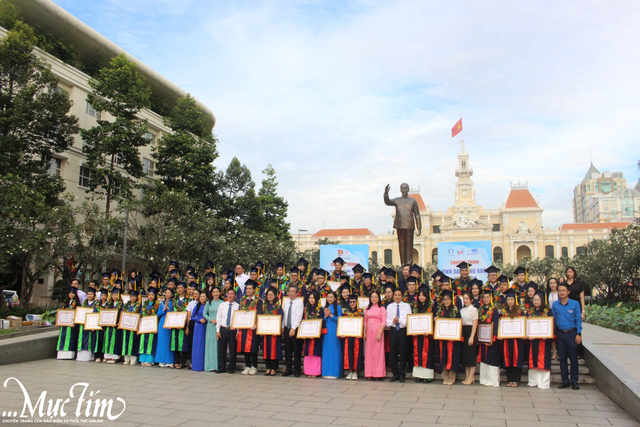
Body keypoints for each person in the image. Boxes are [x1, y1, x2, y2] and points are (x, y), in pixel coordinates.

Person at [552, 282, 582, 390]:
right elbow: (554, 320)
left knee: (573, 359)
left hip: (571, 334)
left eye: (563, 290)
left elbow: (578, 319)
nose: (561, 292)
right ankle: (565, 380)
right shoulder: (555, 305)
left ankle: (574, 381)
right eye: (559, 290)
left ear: (568, 292)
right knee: (562, 359)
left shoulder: (575, 304)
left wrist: (578, 334)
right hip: (560, 334)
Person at [527, 292, 553, 389]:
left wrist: (548, 334)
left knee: (544, 360)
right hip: (533, 341)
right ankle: (533, 381)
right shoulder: (530, 312)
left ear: (542, 301)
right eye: (534, 300)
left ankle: (543, 382)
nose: (536, 302)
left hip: (544, 341)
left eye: (538, 300)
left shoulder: (548, 312)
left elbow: (551, 325)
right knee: (533, 360)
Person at [499, 289, 525, 386]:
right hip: (506, 340)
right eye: (508, 299)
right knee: (508, 359)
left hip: (517, 340)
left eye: (511, 299)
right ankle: (510, 380)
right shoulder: (504, 312)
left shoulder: (519, 312)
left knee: (516, 359)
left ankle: (516, 380)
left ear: (515, 300)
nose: (510, 301)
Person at [237, 280, 263, 375]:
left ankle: (254, 366)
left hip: (253, 328)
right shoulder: (243, 300)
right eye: (247, 288)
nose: (248, 290)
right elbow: (240, 313)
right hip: (244, 327)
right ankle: (247, 365)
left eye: (250, 289)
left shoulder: (258, 301)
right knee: (244, 347)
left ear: (254, 290)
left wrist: (256, 325)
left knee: (253, 348)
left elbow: (259, 313)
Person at [437, 290, 462, 385]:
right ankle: (445, 376)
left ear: (451, 300)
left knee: (452, 357)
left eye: (448, 299)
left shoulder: (455, 311)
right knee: (443, 357)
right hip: (442, 340)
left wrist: (454, 336)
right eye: (444, 299)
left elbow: (459, 325)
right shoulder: (440, 311)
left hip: (452, 340)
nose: (446, 301)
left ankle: (452, 376)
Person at [387, 288, 411, 382]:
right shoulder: (389, 307)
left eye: (399, 295)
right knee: (393, 352)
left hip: (402, 330)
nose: (397, 296)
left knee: (403, 352)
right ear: (393, 296)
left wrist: (399, 321)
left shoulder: (406, 306)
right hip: (393, 330)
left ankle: (402, 373)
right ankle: (395, 373)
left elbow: (408, 320)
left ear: (402, 296)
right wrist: (393, 321)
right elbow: (387, 321)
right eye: (395, 295)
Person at [412, 288, 435, 383]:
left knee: (427, 354)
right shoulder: (416, 306)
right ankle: (418, 375)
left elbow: (433, 322)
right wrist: (412, 330)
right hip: (418, 335)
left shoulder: (431, 307)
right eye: (420, 295)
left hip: (427, 336)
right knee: (418, 353)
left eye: (423, 295)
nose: (421, 297)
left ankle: (427, 376)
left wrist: (429, 331)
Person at [478, 289, 501, 387]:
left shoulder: (495, 310)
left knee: (492, 359)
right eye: (484, 297)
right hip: (483, 340)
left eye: (488, 297)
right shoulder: (482, 310)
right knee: (484, 359)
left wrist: (493, 339)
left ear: (492, 298)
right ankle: (485, 378)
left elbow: (496, 325)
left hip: (492, 341)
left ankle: (493, 380)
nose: (486, 299)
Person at [282, 284, 304, 377]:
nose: (291, 293)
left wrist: (293, 328)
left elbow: (299, 316)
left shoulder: (299, 302)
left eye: (293, 291)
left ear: (297, 293)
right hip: (287, 328)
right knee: (287, 350)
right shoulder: (286, 302)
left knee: (296, 350)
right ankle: (288, 368)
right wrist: (283, 326)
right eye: (290, 291)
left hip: (295, 328)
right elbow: (284, 315)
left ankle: (297, 369)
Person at [340, 295, 364, 380]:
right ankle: (350, 372)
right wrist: (342, 333)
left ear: (357, 302)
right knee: (348, 353)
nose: (352, 303)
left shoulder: (360, 312)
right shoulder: (346, 312)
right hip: (348, 336)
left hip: (357, 336)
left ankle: (356, 372)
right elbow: (342, 324)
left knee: (357, 354)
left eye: (354, 301)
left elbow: (363, 324)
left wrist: (361, 333)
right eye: (350, 302)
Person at [364, 290, 387, 381]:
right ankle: (369, 373)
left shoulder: (382, 308)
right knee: (369, 352)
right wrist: (364, 332)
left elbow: (383, 322)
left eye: (375, 297)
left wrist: (380, 333)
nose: (373, 299)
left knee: (378, 352)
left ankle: (378, 373)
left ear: (379, 298)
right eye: (372, 297)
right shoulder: (367, 308)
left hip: (378, 330)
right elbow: (365, 321)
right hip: (369, 331)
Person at [261, 286, 283, 376]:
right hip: (265, 331)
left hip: (274, 332)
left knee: (274, 349)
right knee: (266, 349)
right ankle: (268, 367)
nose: (269, 296)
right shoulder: (264, 306)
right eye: (268, 295)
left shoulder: (278, 306)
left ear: (275, 296)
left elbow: (280, 318)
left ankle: (273, 368)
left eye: (271, 295)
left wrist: (277, 329)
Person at [216, 288, 239, 374]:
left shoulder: (238, 306)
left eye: (232, 294)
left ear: (235, 296)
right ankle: (221, 367)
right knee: (221, 349)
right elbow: (218, 318)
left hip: (232, 330)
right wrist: (218, 330)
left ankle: (232, 367)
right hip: (223, 328)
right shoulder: (222, 305)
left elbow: (239, 319)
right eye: (228, 294)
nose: (230, 296)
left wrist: (238, 331)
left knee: (233, 349)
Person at [321, 291, 343, 379]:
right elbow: (323, 320)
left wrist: (331, 315)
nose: (329, 299)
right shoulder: (325, 307)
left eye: (331, 297)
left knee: (335, 350)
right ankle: (326, 372)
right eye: (328, 297)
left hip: (334, 330)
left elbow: (339, 319)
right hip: (326, 331)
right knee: (327, 351)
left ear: (335, 298)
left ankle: (335, 372)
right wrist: (325, 316)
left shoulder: (338, 307)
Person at [302, 290, 323, 377]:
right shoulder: (305, 309)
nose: (311, 299)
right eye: (310, 298)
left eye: (313, 298)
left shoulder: (320, 309)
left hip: (316, 335)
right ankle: (308, 371)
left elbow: (321, 322)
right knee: (307, 353)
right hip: (307, 335)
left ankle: (315, 372)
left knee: (315, 352)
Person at [460, 291, 479, 385]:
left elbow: (475, 323)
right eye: (464, 298)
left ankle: (471, 377)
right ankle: (467, 376)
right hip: (463, 332)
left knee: (471, 356)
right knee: (466, 357)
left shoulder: (474, 309)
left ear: (471, 300)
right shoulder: (462, 310)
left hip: (471, 332)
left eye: (467, 298)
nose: (465, 300)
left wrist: (472, 336)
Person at [171, 282, 191, 369]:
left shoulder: (188, 300)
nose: (180, 289)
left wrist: (186, 325)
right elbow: (171, 312)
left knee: (183, 344)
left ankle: (183, 362)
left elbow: (188, 313)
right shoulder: (174, 300)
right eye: (178, 288)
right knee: (175, 343)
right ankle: (177, 362)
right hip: (175, 325)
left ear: (185, 289)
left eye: (181, 288)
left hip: (183, 324)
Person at [57, 288, 80, 360]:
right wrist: (59, 322)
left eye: (73, 293)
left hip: (72, 325)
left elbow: (78, 313)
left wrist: (74, 322)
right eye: (70, 293)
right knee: (63, 337)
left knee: (70, 338)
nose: (71, 295)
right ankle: (61, 354)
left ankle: (69, 354)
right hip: (64, 325)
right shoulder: (65, 303)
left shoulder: (77, 304)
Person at [203, 287, 222, 372]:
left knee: (218, 346)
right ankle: (210, 365)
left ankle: (218, 365)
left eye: (217, 292)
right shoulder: (209, 303)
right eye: (214, 292)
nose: (215, 294)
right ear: (212, 294)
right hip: (211, 326)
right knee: (210, 346)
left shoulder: (223, 303)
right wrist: (211, 319)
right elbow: (204, 313)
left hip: (219, 326)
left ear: (220, 293)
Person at [139, 287, 159, 367]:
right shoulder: (145, 304)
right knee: (143, 342)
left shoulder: (157, 305)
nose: (150, 296)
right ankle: (143, 359)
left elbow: (157, 317)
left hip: (152, 327)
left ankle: (150, 360)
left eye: (152, 295)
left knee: (151, 343)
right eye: (149, 295)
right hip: (144, 326)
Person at [76, 287, 97, 362]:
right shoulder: (83, 304)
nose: (89, 296)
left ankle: (90, 355)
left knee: (90, 339)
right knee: (82, 339)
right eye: (88, 294)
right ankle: (81, 355)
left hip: (91, 325)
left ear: (94, 295)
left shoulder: (96, 304)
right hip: (83, 324)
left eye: (91, 294)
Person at [121, 290, 142, 365]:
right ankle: (126, 358)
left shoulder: (138, 306)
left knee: (133, 342)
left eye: (134, 296)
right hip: (126, 327)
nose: (133, 298)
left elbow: (140, 315)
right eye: (132, 296)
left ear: (137, 297)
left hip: (134, 328)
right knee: (125, 342)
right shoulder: (127, 305)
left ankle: (133, 358)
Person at [103, 287, 123, 364]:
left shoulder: (121, 305)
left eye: (116, 295)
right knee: (108, 340)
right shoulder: (109, 304)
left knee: (115, 340)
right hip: (109, 326)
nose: (114, 296)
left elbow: (122, 315)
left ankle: (114, 357)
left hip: (116, 326)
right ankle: (107, 356)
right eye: (113, 295)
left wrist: (119, 322)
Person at [155, 288, 174, 368]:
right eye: (166, 293)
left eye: (169, 293)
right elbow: (158, 314)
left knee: (168, 341)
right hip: (162, 322)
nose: (167, 294)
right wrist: (164, 309)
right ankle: (161, 360)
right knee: (161, 341)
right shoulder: (162, 303)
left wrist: (168, 308)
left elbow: (174, 313)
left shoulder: (173, 303)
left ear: (172, 294)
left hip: (169, 321)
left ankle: (169, 361)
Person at [190, 290, 208, 371]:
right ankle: (197, 364)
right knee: (198, 345)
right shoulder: (197, 306)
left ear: (207, 298)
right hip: (198, 327)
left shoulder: (208, 306)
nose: (202, 298)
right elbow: (192, 317)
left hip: (206, 326)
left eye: (203, 296)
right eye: (201, 297)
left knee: (205, 345)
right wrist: (199, 320)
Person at [93, 287, 110, 363]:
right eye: (102, 295)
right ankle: (97, 356)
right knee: (98, 340)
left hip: (105, 326)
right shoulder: (97, 304)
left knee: (104, 340)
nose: (103, 297)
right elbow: (94, 315)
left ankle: (103, 355)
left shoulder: (109, 305)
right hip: (98, 325)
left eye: (105, 296)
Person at [546, 277, 560, 359]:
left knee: (559, 333)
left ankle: (560, 353)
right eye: (551, 283)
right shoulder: (547, 294)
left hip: (559, 313)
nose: (553, 285)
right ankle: (554, 353)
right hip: (550, 314)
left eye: (554, 283)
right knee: (552, 334)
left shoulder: (560, 293)